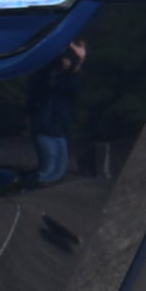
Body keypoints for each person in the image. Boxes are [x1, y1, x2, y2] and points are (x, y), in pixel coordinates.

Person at [27, 39, 86, 184]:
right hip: (45, 128)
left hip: (58, 129)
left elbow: (73, 92)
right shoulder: (47, 76)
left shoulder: (65, 78)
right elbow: (57, 87)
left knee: (58, 171)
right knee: (48, 171)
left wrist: (77, 65)